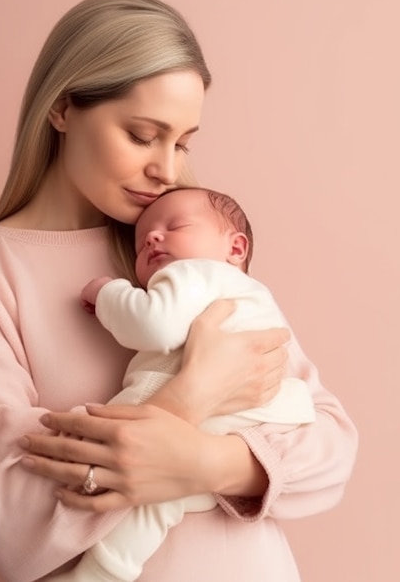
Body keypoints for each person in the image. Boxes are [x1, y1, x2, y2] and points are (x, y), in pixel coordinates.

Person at [0, 0, 357, 582]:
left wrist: (206, 462)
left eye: (183, 141)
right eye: (143, 135)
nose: (167, 170)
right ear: (64, 108)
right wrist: (193, 394)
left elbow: (329, 445)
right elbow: (16, 511)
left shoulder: (184, 245)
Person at [52, 186, 316, 582]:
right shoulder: (256, 297)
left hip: (221, 404)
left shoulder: (199, 272)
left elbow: (152, 325)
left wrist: (108, 292)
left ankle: (99, 571)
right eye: (142, 242)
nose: (153, 238)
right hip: (262, 414)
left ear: (236, 247)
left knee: (112, 436)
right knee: (163, 499)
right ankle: (104, 570)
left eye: (175, 226)